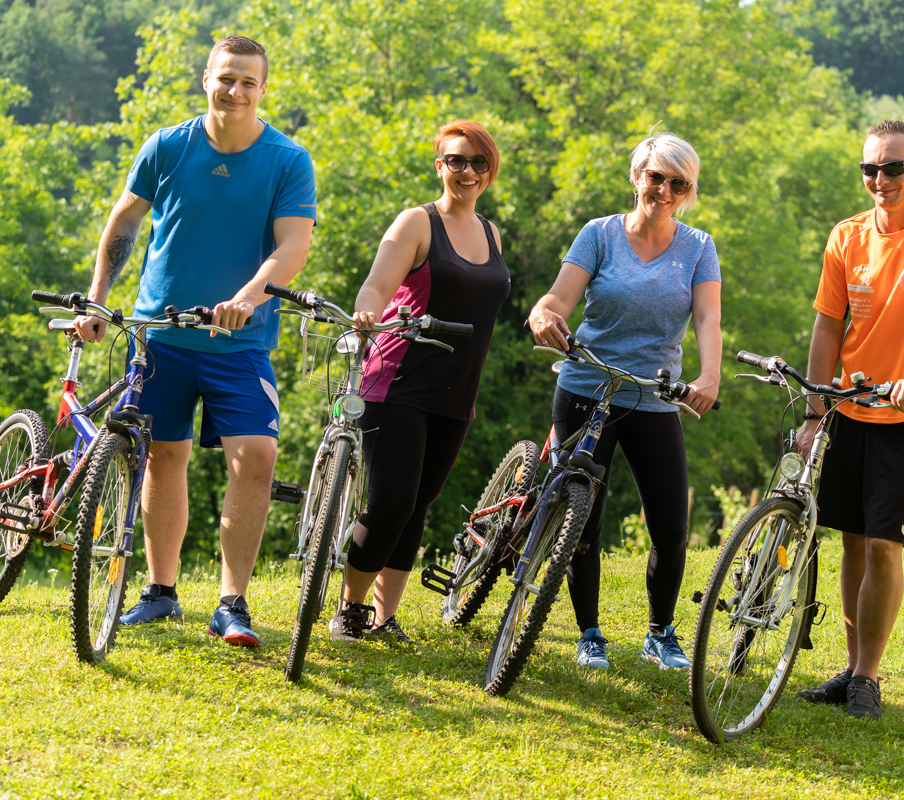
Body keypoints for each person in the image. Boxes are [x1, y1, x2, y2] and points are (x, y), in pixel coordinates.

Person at [74, 36, 316, 648]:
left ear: (264, 90)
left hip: (240, 341)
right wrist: (102, 295)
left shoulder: (288, 160)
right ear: (206, 77)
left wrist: (250, 295)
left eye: (248, 83)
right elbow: (125, 221)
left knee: (256, 457)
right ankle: (160, 592)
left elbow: (294, 246)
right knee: (163, 455)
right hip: (161, 335)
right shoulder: (167, 145)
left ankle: (231, 603)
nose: (235, 91)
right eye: (226, 78)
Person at [794, 120, 904, 719]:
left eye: (894, 167)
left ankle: (868, 676)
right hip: (852, 407)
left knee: (883, 547)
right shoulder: (845, 237)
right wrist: (817, 408)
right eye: (870, 168)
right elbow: (827, 324)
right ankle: (849, 667)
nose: (880, 179)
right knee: (851, 541)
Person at [527, 132, 722, 670]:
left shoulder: (699, 247)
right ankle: (590, 633)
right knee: (581, 516)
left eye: (677, 183)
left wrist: (709, 376)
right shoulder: (599, 234)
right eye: (655, 176)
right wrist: (544, 314)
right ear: (637, 175)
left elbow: (707, 318)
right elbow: (559, 297)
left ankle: (660, 632)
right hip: (587, 384)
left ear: (688, 192)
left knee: (669, 524)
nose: (663, 189)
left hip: (654, 396)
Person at [328, 120, 511, 644]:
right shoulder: (416, 223)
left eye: (480, 162)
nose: (469, 171)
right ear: (440, 166)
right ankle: (351, 611)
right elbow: (375, 287)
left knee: (417, 506)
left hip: (457, 390)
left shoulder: (491, 233)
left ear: (490, 170)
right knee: (390, 502)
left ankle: (385, 618)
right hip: (398, 379)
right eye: (457, 160)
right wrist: (366, 315)